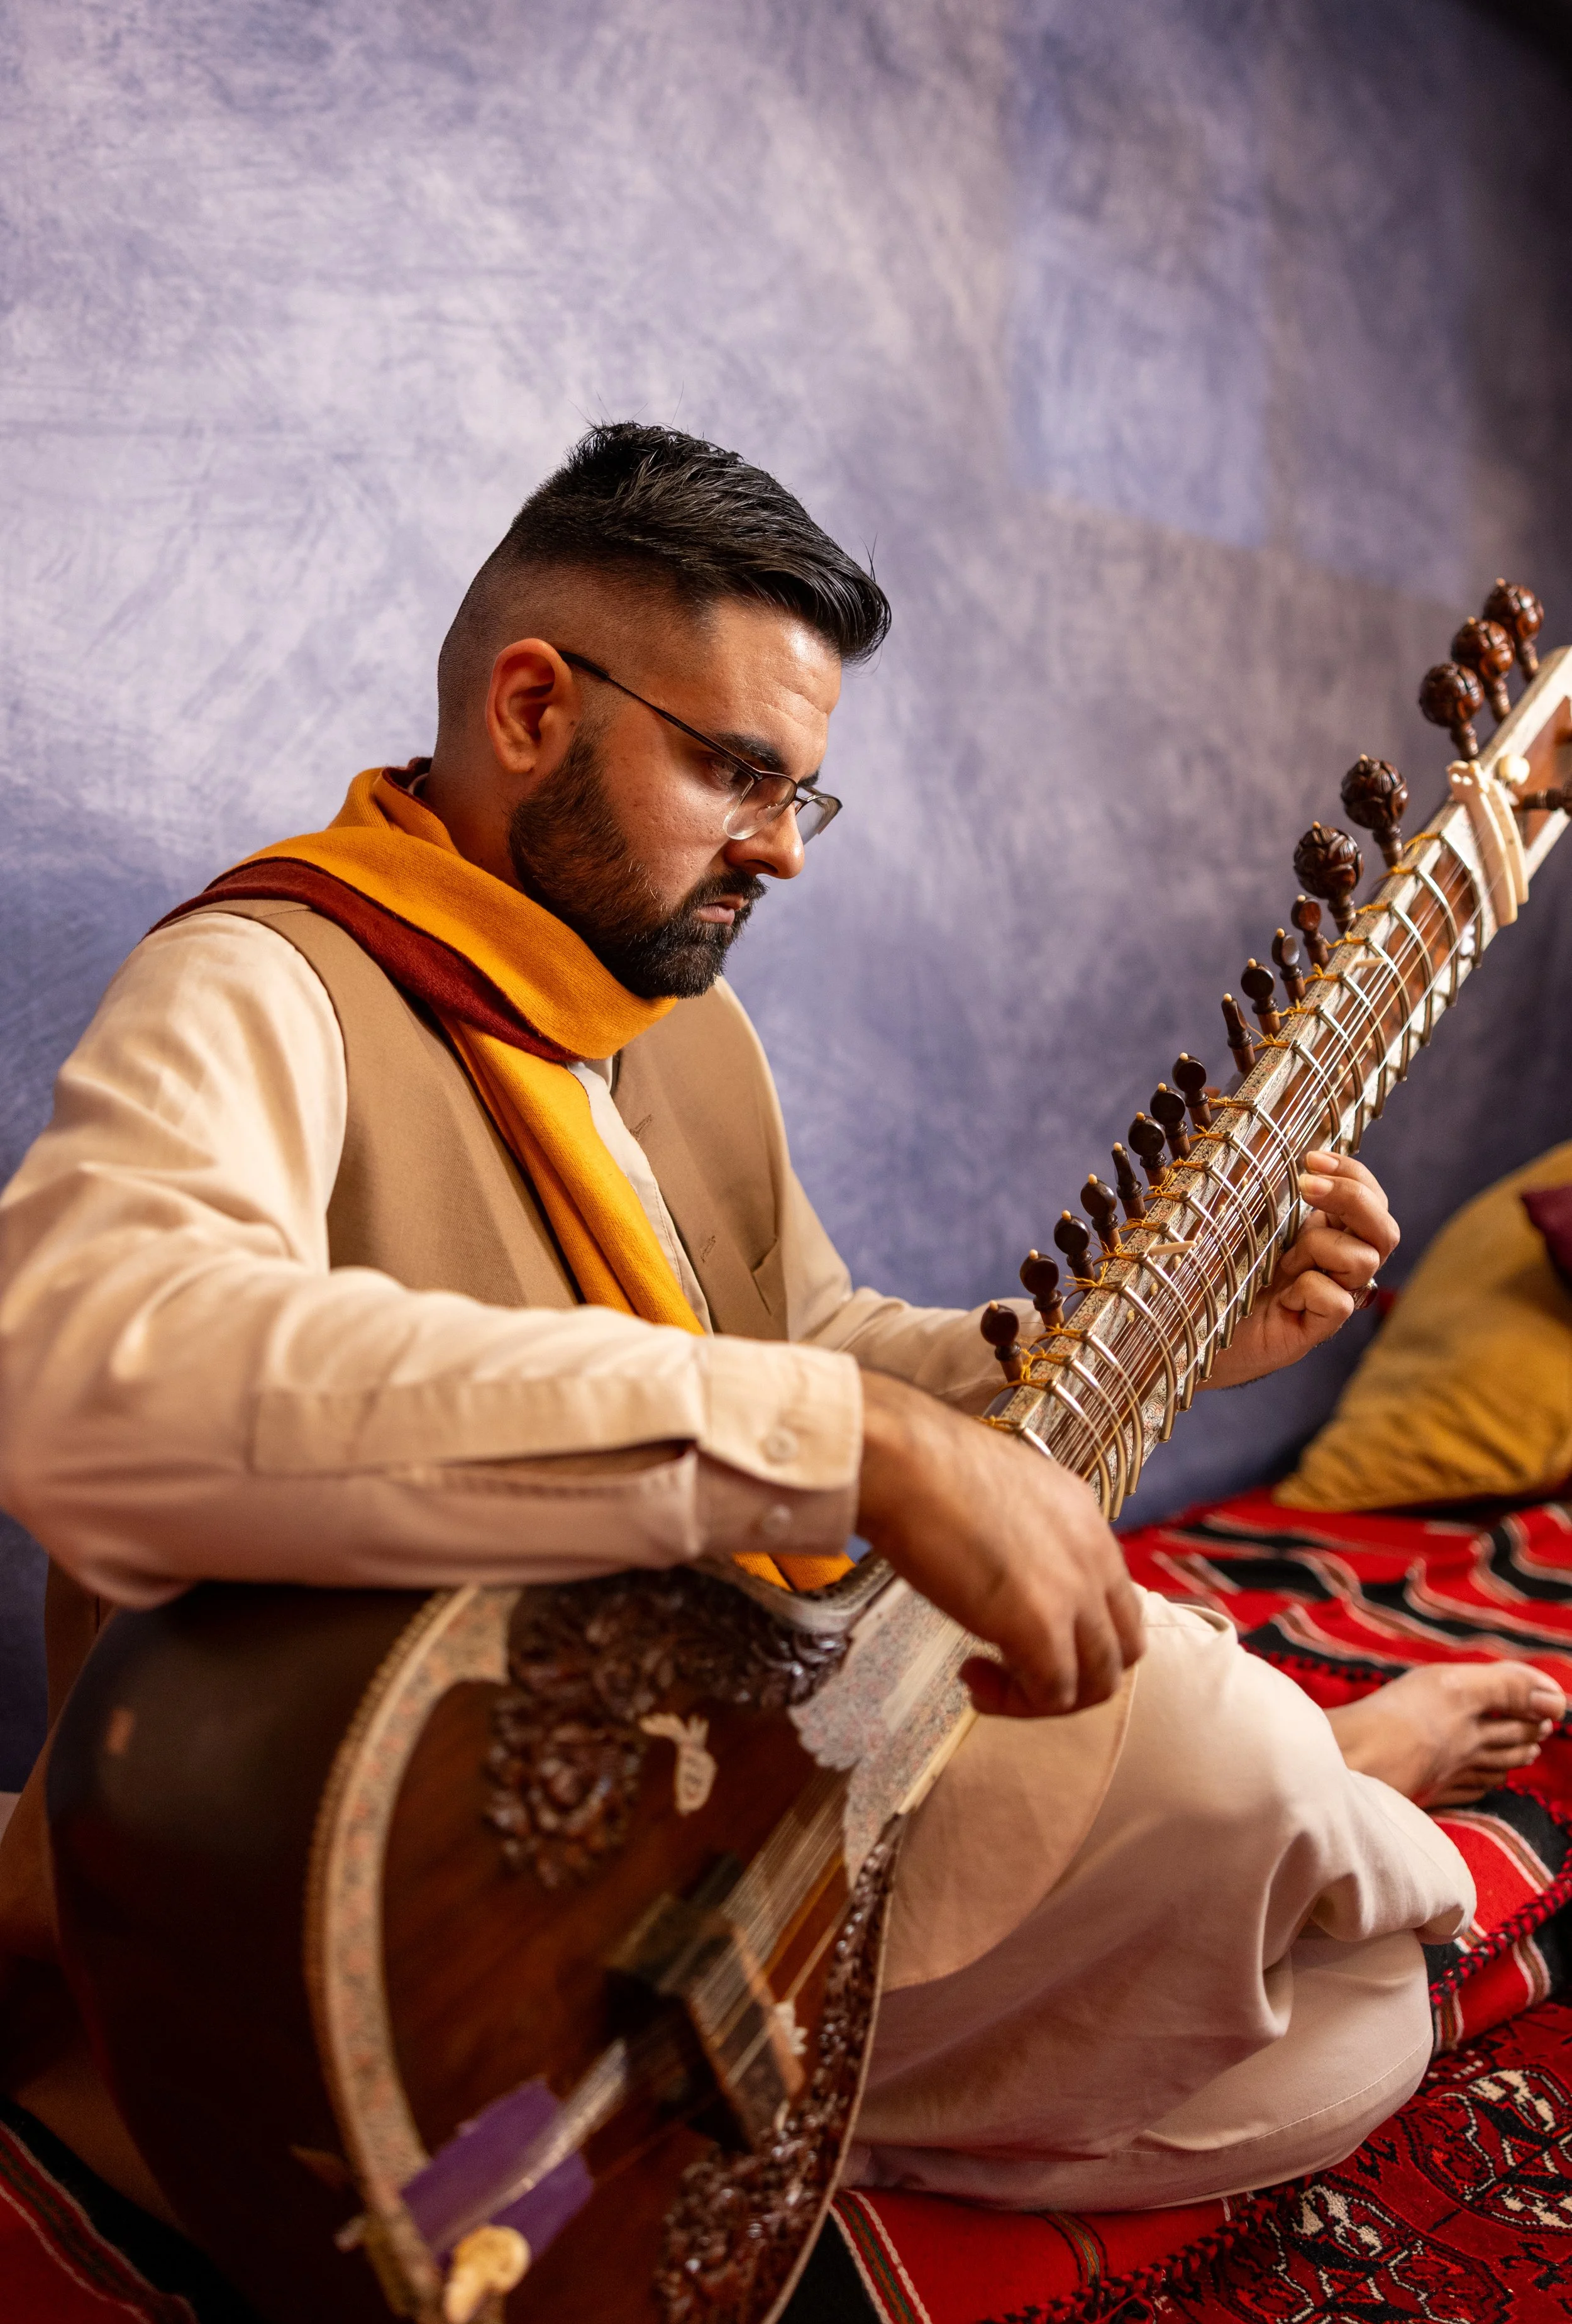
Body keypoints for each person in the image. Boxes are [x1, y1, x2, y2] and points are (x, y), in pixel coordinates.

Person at [0, 425, 1562, 2231]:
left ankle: (761, 2092)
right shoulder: (269, 978)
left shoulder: (673, 1028)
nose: (782, 852)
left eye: (800, 794)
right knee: (1222, 1746)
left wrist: (1184, 1326)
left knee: (1340, 2022)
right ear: (528, 707)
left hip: (707, 1768)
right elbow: (88, 1373)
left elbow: (810, 1339)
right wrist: (857, 1452)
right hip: (409, 1893)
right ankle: (1275, 1802)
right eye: (740, 772)